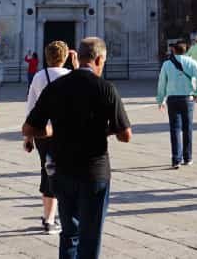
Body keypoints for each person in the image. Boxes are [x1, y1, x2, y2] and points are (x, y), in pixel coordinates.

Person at [23, 37, 132, 259]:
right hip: (95, 172)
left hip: (63, 171)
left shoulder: (55, 88)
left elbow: (29, 128)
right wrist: (104, 131)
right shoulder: (106, 88)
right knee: (90, 237)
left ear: (77, 58)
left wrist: (53, 130)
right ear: (99, 59)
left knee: (69, 234)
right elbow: (125, 135)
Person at [23, 41, 71, 235]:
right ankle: (66, 215)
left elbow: (31, 107)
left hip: (43, 132)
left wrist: (28, 137)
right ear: (66, 56)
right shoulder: (72, 76)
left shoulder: (39, 76)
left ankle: (49, 219)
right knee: (68, 171)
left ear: (47, 56)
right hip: (67, 132)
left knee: (48, 170)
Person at [156, 42, 197, 168]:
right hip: (188, 98)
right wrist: (196, 92)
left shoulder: (167, 64)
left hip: (172, 99)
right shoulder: (191, 62)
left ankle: (176, 159)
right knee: (187, 128)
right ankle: (188, 158)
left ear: (174, 50)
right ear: (185, 50)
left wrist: (160, 100)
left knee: (175, 128)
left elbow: (162, 83)